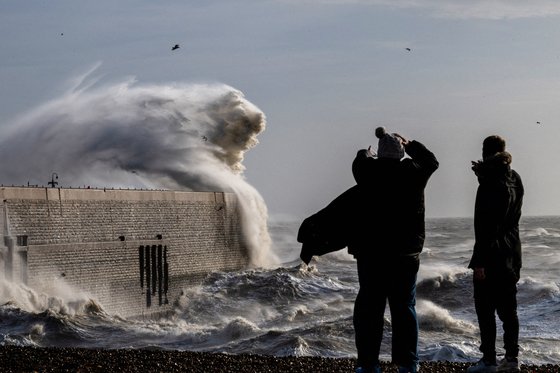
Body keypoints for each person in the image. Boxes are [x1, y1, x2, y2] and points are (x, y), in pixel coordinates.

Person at [350, 127, 438, 373]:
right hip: (405, 254)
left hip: (372, 254)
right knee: (404, 309)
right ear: (401, 154)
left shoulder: (367, 171)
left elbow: (360, 160)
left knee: (370, 310)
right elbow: (432, 161)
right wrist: (409, 143)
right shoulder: (413, 172)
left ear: (379, 154)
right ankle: (408, 364)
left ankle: (368, 364)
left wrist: (367, 152)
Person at [466, 135, 524, 373]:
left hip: (491, 254)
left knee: (485, 309)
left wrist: (478, 261)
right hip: (512, 252)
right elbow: (511, 217)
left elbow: (485, 226)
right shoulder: (514, 178)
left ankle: (488, 360)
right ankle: (511, 359)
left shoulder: (489, 183)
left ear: (485, 153)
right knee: (509, 310)